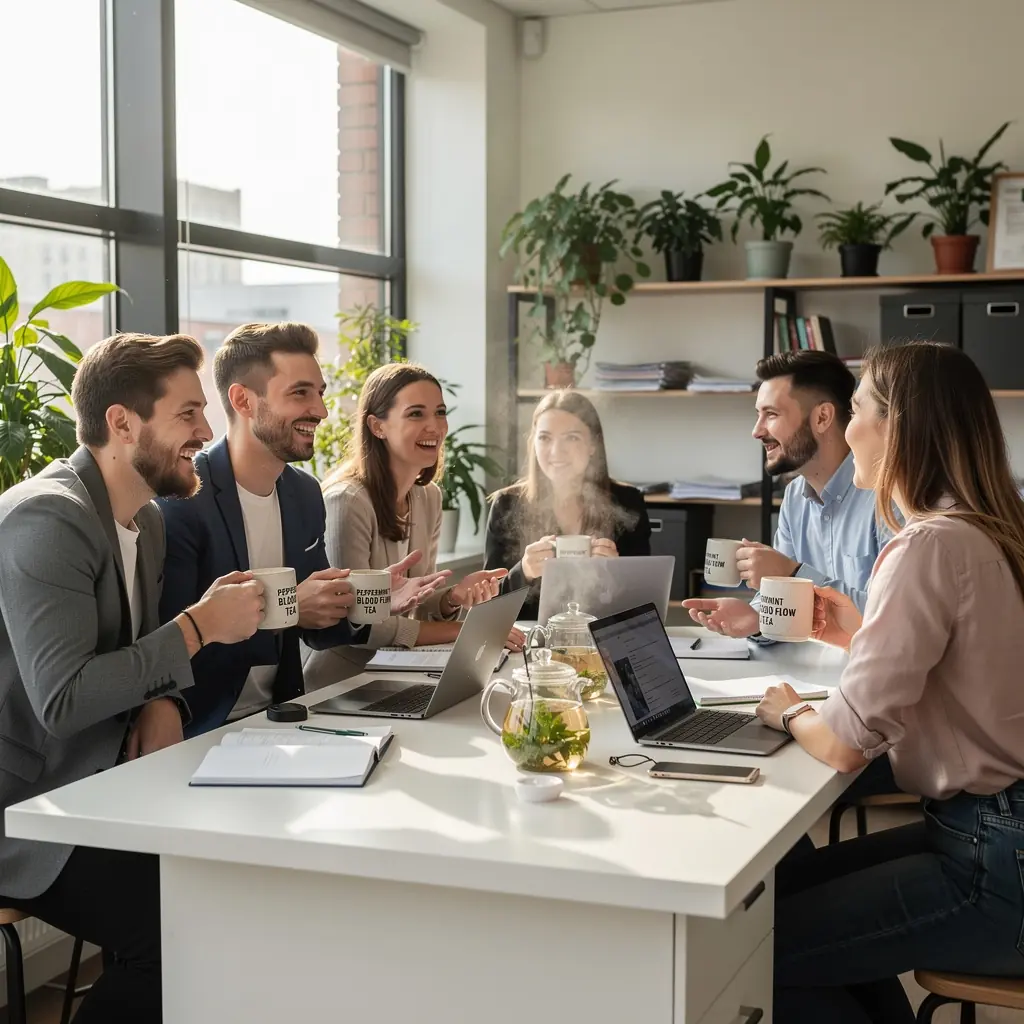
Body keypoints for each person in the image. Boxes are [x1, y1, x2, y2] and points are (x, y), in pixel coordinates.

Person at [753, 342, 1024, 1024]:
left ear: (896, 426)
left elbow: (844, 746)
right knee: (786, 893)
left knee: (753, 950)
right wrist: (858, 635)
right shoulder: (988, 528)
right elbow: (970, 672)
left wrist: (789, 713)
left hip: (992, 863)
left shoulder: (927, 545)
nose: (846, 430)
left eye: (858, 411)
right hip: (995, 832)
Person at [0, 332, 263, 1023]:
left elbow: (134, 650)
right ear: (121, 423)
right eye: (187, 414)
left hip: (98, 787)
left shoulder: (144, 519)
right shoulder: (46, 518)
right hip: (23, 807)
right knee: (178, 932)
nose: (206, 432)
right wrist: (198, 627)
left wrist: (164, 698)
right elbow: (64, 700)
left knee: (235, 879)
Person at [158, 323, 448, 736]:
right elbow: (172, 639)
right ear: (243, 400)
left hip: (284, 714)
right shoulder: (184, 498)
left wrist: (368, 597)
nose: (321, 411)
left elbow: (320, 628)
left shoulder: (304, 493)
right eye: (300, 393)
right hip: (203, 724)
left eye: (320, 393)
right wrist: (291, 606)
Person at [304, 363, 521, 686]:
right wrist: (460, 630)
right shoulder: (347, 501)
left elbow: (414, 604)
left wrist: (452, 597)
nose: (434, 426)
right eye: (416, 414)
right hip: (340, 681)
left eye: (440, 412)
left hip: (399, 671)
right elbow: (359, 622)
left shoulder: (429, 497)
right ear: (377, 426)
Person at [683, 350, 886, 640]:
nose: (756, 431)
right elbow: (787, 606)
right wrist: (757, 618)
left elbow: (891, 617)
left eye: (771, 414)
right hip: (803, 664)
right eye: (758, 415)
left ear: (822, 417)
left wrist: (793, 573)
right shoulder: (794, 497)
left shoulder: (888, 498)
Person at [484, 389, 651, 621]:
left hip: (602, 637)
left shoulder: (627, 502)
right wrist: (524, 572)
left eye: (571, 438)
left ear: (593, 444)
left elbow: (645, 605)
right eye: (545, 438)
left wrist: (616, 575)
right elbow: (489, 610)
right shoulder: (507, 505)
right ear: (533, 444)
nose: (556, 451)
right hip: (533, 640)